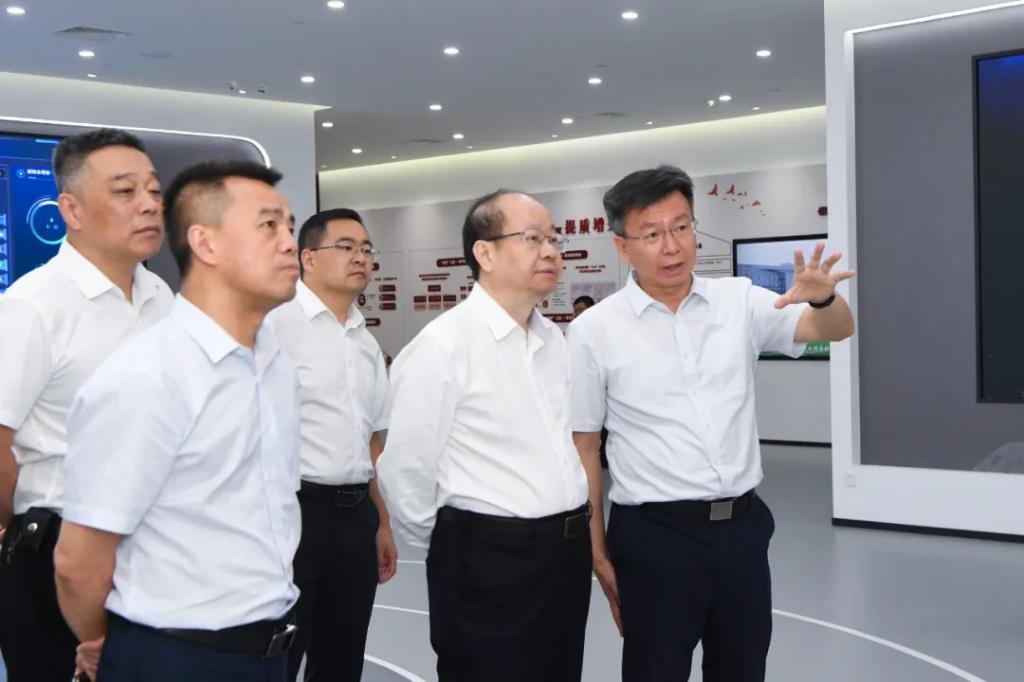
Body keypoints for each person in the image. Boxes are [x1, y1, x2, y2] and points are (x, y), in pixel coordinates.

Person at [568, 165, 856, 682]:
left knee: (743, 667)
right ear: (623, 246)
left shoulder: (739, 300)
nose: (672, 246)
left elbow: (833, 329)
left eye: (682, 227)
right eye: (652, 234)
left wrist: (824, 298)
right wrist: (597, 548)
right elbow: (584, 444)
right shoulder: (594, 330)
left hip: (741, 531)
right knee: (655, 671)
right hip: (654, 538)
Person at [53, 160, 303, 682]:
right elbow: (79, 560)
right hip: (175, 656)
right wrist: (102, 644)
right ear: (205, 244)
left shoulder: (274, 363)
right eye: (268, 226)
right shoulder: (147, 375)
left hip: (269, 649)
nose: (289, 244)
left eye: (290, 226)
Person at [378, 190, 592, 682]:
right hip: (487, 558)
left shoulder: (553, 339)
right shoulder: (443, 345)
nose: (551, 251)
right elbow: (405, 467)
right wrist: (458, 544)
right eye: (533, 238)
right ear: (485, 252)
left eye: (554, 239)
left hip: (564, 551)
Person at [0, 128, 172, 682]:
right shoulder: (33, 305)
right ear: (70, 210)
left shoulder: (162, 299)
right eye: (125, 191)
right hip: (58, 547)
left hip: (153, 546)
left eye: (153, 190)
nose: (148, 204)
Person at [266, 208, 396, 682]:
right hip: (292, 514)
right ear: (308, 258)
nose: (360, 257)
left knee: (342, 658)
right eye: (346, 247)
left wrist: (382, 521)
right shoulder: (273, 327)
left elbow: (372, 441)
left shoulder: (365, 342)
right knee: (277, 656)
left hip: (355, 517)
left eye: (366, 249)